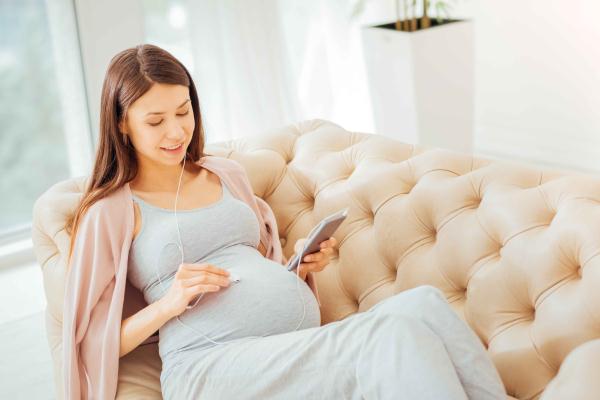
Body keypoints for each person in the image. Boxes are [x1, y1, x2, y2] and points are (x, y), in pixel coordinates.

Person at [65, 44, 506, 399]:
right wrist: (169, 303)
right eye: (156, 121)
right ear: (122, 125)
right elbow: (89, 342)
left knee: (425, 304)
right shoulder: (111, 211)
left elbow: (254, 269)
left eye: (183, 112)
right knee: (389, 336)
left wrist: (298, 270)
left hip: (287, 346)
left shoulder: (225, 174)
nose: (176, 132)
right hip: (209, 367)